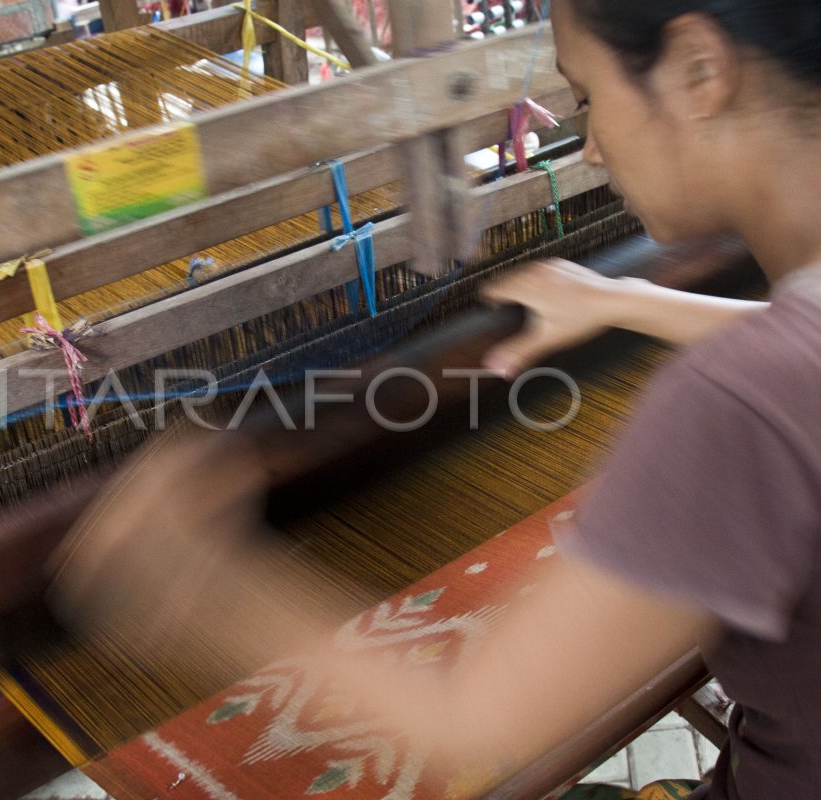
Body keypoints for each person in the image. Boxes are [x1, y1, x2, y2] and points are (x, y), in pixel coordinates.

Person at [49, 1, 821, 797]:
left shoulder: (732, 406)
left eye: (588, 98)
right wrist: (629, 302)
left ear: (700, 71)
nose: (590, 149)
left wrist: (193, 577)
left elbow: (470, 723)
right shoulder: (775, 366)